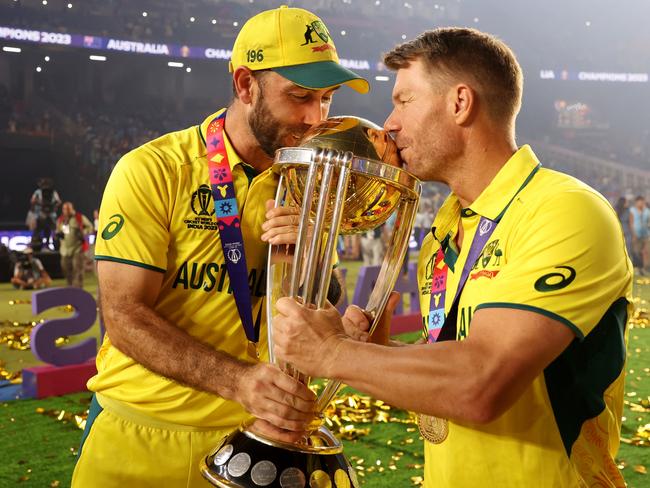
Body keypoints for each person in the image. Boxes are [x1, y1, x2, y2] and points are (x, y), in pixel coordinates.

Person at [272, 28, 633, 488]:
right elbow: (447, 368)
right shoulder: (444, 233)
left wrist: (331, 353)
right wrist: (373, 352)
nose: (390, 124)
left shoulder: (564, 210)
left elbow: (482, 384)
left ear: (460, 103)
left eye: (404, 101)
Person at [72, 6, 368, 488]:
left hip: (249, 442)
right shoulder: (154, 170)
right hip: (140, 434)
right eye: (300, 97)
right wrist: (240, 382)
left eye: (327, 99)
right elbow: (124, 314)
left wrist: (309, 262)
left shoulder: (309, 187)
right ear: (247, 84)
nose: (316, 118)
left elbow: (320, 303)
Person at [56, 201, 93, 288]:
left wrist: (83, 232)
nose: (66, 211)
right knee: (66, 270)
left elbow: (90, 227)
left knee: (78, 270)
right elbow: (57, 231)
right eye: (65, 209)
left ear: (72, 208)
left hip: (77, 248)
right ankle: (70, 289)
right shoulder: (61, 220)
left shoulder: (79, 217)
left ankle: (78, 290)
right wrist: (58, 234)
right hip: (65, 250)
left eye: (68, 209)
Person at [29, 177, 61, 252]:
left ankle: (47, 245)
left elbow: (58, 202)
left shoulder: (53, 192)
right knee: (39, 231)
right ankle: (37, 246)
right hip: (42, 215)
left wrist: (52, 207)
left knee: (48, 230)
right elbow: (58, 202)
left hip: (49, 215)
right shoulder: (39, 192)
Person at [629, 195, 650, 275]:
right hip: (636, 234)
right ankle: (638, 268)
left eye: (642, 201)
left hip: (646, 234)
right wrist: (633, 234)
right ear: (636, 202)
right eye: (639, 201)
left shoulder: (647, 211)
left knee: (647, 251)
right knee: (637, 252)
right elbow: (631, 223)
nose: (641, 203)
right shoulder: (632, 210)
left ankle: (646, 268)